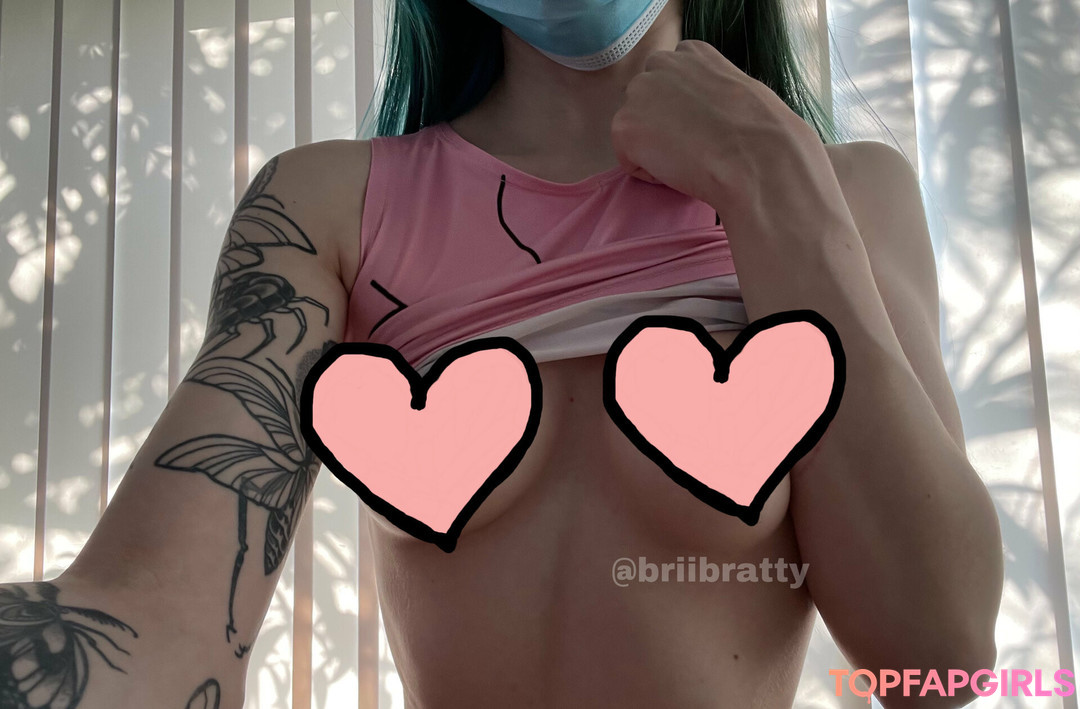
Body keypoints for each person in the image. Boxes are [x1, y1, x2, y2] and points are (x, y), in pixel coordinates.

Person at [0, 0, 1004, 707]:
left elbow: (940, 658)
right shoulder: (326, 204)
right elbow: (152, 626)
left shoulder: (847, 194)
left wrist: (771, 182)